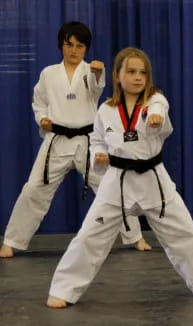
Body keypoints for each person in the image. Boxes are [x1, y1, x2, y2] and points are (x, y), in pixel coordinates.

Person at [47, 47, 193, 308]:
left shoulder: (155, 101)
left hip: (153, 179)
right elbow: (97, 140)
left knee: (185, 233)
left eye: (142, 72)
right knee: (90, 235)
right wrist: (98, 156)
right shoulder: (106, 110)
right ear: (117, 76)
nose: (137, 77)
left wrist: (155, 116)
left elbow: (159, 107)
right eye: (131, 71)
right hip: (117, 181)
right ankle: (64, 289)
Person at [0, 22, 150, 259]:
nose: (73, 50)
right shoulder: (48, 74)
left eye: (79, 46)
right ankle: (12, 240)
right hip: (57, 140)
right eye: (69, 44)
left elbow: (95, 90)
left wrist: (98, 72)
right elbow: (38, 103)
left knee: (111, 186)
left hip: (89, 141)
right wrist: (43, 119)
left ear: (86, 49)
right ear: (61, 45)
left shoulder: (90, 71)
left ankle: (134, 235)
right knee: (33, 190)